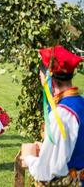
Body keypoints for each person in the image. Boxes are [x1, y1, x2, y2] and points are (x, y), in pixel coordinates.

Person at [22, 45, 84, 186]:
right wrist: (46, 147)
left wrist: (29, 158)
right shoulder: (80, 103)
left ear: (49, 79)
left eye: (41, 77)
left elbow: (49, 170)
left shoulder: (61, 115)